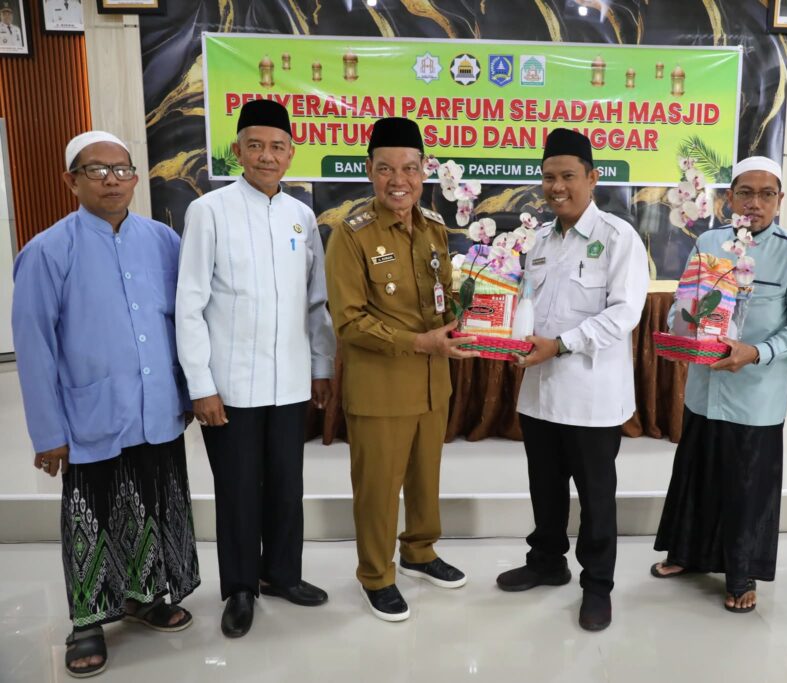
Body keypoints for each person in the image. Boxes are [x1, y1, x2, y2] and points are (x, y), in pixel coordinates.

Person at [12, 131, 199, 678]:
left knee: (155, 505)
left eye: (121, 169)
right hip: (91, 413)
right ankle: (88, 621)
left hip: (156, 406)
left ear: (136, 177)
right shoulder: (47, 251)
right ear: (70, 181)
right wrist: (48, 432)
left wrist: (188, 391)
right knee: (90, 517)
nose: (111, 180)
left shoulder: (163, 241)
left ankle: (145, 598)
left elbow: (183, 323)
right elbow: (35, 348)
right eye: (96, 170)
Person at [176, 99, 335, 638]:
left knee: (287, 486)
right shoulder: (210, 211)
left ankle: (282, 574)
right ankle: (241, 588)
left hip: (289, 381)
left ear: (291, 153)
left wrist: (321, 366)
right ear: (237, 151)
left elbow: (315, 301)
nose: (267, 156)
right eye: (256, 146)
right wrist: (201, 384)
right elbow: (190, 303)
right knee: (239, 489)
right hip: (230, 386)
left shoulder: (300, 216)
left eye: (277, 147)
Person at [651, 156, 787, 613]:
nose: (754, 203)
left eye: (767, 194)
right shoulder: (710, 242)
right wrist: (681, 329)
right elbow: (685, 299)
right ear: (729, 198)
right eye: (745, 193)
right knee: (697, 473)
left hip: (756, 393)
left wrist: (757, 352)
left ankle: (740, 570)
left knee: (746, 485)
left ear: (780, 201)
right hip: (705, 387)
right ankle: (686, 552)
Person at [495, 128, 649, 632]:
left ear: (592, 177)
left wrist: (560, 345)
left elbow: (624, 314)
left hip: (591, 398)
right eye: (548, 177)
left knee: (596, 498)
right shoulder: (539, 241)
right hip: (539, 394)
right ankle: (546, 562)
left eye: (567, 176)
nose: (556, 187)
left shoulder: (618, 238)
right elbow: (527, 305)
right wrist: (506, 337)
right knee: (545, 489)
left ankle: (597, 586)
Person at [324, 117, 477, 623]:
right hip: (381, 387)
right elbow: (348, 321)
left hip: (433, 382)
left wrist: (472, 317)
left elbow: (444, 296)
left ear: (424, 171)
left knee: (425, 478)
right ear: (369, 170)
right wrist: (419, 342)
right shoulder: (350, 236)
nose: (399, 180)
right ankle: (376, 575)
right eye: (387, 168)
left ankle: (419, 551)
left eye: (410, 168)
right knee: (378, 488)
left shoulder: (433, 228)